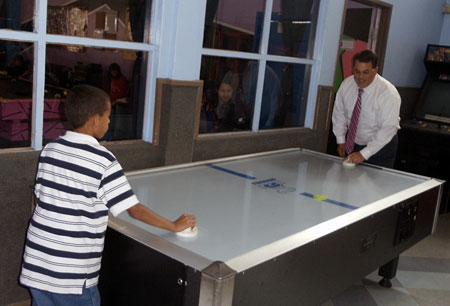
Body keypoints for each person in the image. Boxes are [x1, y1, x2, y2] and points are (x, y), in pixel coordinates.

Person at [19, 85, 196, 306]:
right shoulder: (103, 160)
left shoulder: (50, 149)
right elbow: (135, 209)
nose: (109, 122)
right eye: (108, 117)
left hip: (38, 263)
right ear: (95, 120)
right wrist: (173, 225)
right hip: (72, 275)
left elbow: (42, 198)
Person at [332, 50, 401, 168]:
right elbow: (339, 114)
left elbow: (388, 128)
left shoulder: (388, 93)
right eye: (357, 72)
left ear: (375, 71)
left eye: (365, 72)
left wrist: (364, 154)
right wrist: (341, 140)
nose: (360, 77)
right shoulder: (346, 85)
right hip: (354, 142)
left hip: (381, 145)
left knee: (375, 185)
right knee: (349, 182)